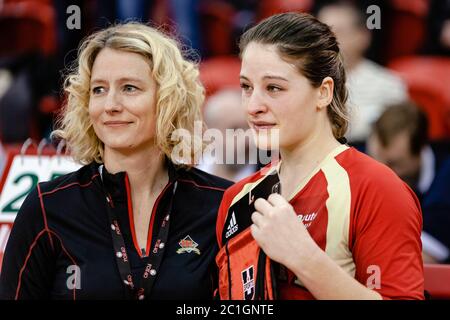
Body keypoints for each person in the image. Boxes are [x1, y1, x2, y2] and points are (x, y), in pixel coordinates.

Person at [0, 22, 232, 300]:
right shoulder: (48, 206)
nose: (110, 104)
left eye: (129, 88)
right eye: (98, 89)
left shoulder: (221, 204)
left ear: (169, 99)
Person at [215, 12, 424, 300]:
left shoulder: (375, 187)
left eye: (274, 88)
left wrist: (304, 258)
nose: (253, 106)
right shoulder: (236, 197)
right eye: (246, 87)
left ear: (324, 92)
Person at [367, 101, 450, 264]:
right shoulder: (355, 155)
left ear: (420, 151)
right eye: (375, 161)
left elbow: (417, 258)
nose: (381, 173)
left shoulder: (446, 179)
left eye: (393, 164)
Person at [317, 1, 408, 145]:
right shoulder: (306, 80)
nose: (327, 40)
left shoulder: (388, 84)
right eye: (321, 33)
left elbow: (396, 137)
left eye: (338, 32)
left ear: (363, 36)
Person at [198, 88, 258, 182]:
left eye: (249, 127)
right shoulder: (186, 174)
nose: (247, 138)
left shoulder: (268, 181)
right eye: (235, 130)